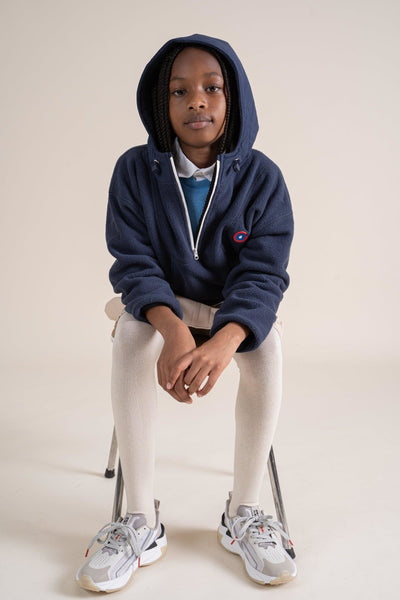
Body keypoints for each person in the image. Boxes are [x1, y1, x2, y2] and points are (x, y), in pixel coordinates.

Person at [76, 33, 296, 592]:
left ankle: (244, 511)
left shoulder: (263, 177)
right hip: (161, 306)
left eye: (211, 88)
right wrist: (173, 329)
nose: (196, 100)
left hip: (231, 310)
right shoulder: (133, 170)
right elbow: (132, 261)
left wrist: (225, 339)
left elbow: (265, 273)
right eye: (179, 91)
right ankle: (138, 519)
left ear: (233, 98)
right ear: (162, 102)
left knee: (266, 348)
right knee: (131, 338)